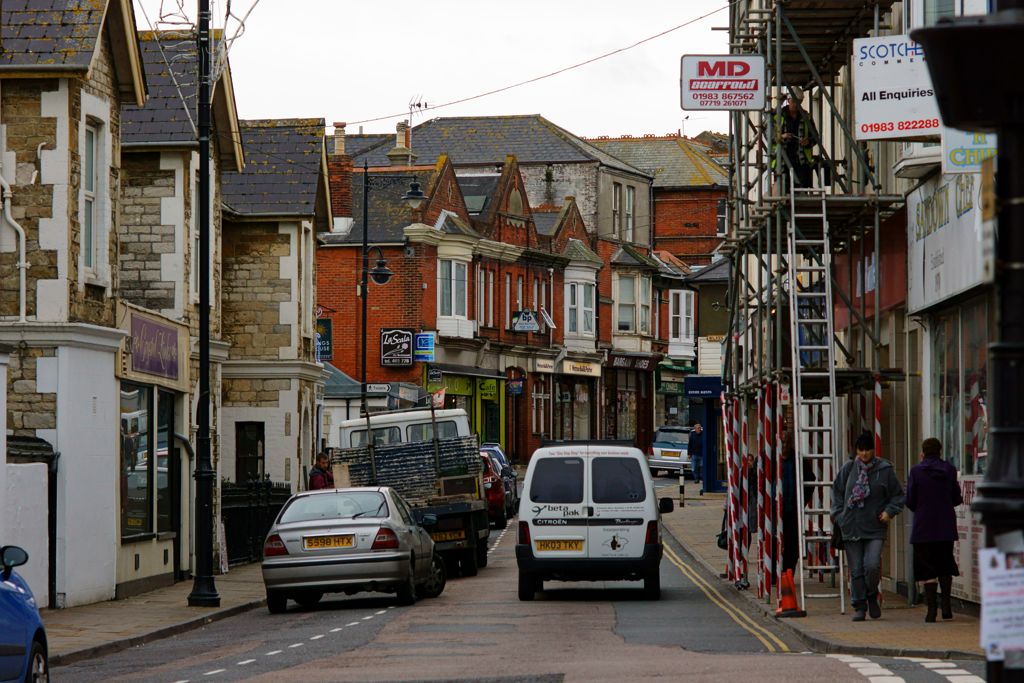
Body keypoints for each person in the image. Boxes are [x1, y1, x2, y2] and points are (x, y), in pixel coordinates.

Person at [831, 432, 905, 622]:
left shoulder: (885, 469)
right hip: (851, 526)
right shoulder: (848, 469)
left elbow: (898, 495)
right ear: (856, 450)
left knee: (871, 566)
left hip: (875, 527)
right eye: (861, 450)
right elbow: (837, 492)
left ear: (874, 449)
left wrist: (889, 511)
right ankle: (859, 605)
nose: (864, 454)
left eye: (868, 449)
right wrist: (839, 516)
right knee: (856, 569)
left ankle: (872, 595)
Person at [907, 437, 963, 622]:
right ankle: (946, 607)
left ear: (922, 453)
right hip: (945, 525)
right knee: (945, 563)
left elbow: (910, 500)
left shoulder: (915, 471)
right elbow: (956, 498)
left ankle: (931, 611)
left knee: (927, 567)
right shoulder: (949, 470)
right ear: (940, 451)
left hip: (923, 526)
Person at [780, 430, 816, 574]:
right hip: (775, 510)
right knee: (774, 541)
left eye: (788, 442)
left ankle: (788, 571)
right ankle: (777, 573)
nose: (785, 445)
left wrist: (802, 502)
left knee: (792, 543)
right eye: (783, 442)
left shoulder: (798, 460)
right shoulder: (769, 457)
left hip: (792, 509)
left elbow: (810, 480)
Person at [772, 87, 817, 190]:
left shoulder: (806, 116)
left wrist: (807, 141)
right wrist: (781, 137)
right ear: (788, 100)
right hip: (782, 161)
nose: (796, 105)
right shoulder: (777, 115)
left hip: (801, 162)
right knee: (783, 190)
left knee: (802, 190)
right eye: (794, 102)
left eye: (799, 102)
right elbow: (769, 137)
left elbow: (815, 137)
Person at [688, 423, 704, 493]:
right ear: (695, 429)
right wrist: (689, 453)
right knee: (694, 467)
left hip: (702, 454)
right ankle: (696, 479)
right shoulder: (692, 435)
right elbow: (690, 445)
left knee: (701, 466)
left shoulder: (703, 434)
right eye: (698, 428)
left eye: (700, 427)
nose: (699, 429)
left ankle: (701, 478)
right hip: (694, 454)